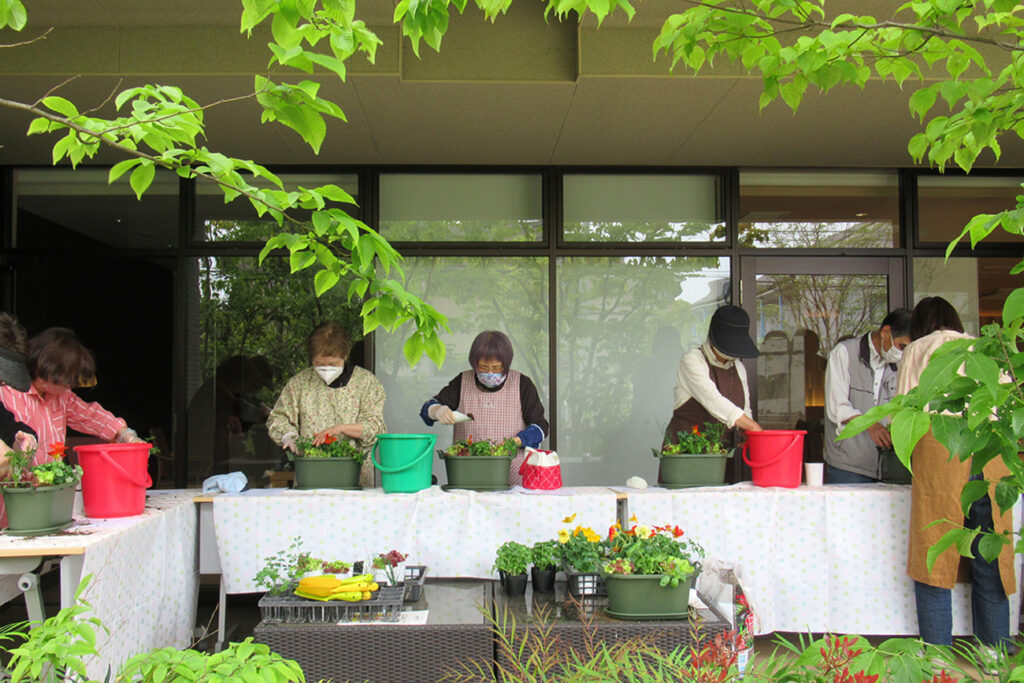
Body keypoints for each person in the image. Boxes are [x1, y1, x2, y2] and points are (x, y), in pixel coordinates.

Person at [897, 296, 1013, 650]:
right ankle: (993, 653)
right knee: (989, 550)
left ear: (919, 325)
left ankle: (937, 655)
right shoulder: (983, 347)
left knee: (935, 550)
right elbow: (1007, 399)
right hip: (992, 448)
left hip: (941, 444)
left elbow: (904, 409)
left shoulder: (917, 349)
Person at [419, 330, 548, 487]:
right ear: (474, 363)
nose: (490, 373)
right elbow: (428, 409)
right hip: (468, 473)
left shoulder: (522, 384)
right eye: (483, 367)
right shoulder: (462, 382)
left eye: (497, 368)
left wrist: (519, 440)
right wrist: (438, 410)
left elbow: (541, 427)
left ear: (506, 364)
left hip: (513, 475)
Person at [0, 327, 143, 466]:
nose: (69, 386)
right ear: (51, 371)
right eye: (67, 379)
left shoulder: (62, 396)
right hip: (13, 486)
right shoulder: (7, 390)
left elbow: (90, 415)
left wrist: (124, 434)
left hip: (50, 483)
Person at [266, 323, 385, 487]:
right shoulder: (299, 384)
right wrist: (288, 435)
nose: (326, 369)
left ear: (344, 356)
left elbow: (375, 427)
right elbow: (277, 418)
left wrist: (341, 429)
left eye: (333, 364)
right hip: (310, 475)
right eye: (319, 364)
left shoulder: (366, 383)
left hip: (354, 478)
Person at [822, 308, 912, 483]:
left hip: (890, 467)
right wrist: (872, 425)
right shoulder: (844, 353)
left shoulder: (901, 363)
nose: (903, 353)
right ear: (886, 332)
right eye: (902, 346)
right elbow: (837, 406)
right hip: (848, 465)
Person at [663, 305, 762, 453]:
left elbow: (745, 409)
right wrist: (752, 426)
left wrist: (747, 431)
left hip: (719, 454)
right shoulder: (692, 360)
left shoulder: (739, 368)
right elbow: (712, 399)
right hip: (685, 452)